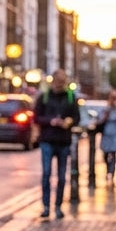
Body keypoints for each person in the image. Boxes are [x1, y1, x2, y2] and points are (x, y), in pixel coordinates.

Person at [33, 69, 80, 217]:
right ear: (53, 81)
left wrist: (68, 121)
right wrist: (51, 121)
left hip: (63, 141)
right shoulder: (44, 97)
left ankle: (58, 206)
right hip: (47, 139)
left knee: (61, 176)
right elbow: (36, 117)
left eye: (63, 81)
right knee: (46, 173)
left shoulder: (71, 97)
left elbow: (76, 117)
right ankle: (46, 206)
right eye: (59, 81)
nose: (61, 84)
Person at [94, 89, 116, 188]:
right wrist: (105, 115)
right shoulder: (105, 108)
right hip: (106, 134)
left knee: (113, 155)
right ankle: (108, 169)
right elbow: (99, 120)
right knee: (105, 154)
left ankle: (111, 173)